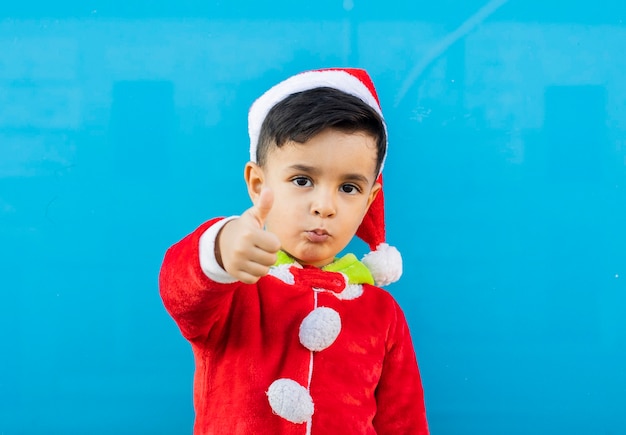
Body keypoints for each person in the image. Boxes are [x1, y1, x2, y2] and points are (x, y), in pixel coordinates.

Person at [159, 68, 429, 434]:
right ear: (258, 184)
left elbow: (404, 423)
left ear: (369, 202)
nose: (324, 205)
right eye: (302, 180)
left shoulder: (383, 314)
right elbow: (181, 290)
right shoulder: (235, 288)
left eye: (349, 188)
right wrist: (221, 247)